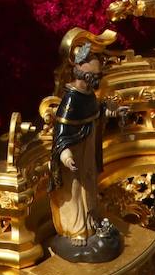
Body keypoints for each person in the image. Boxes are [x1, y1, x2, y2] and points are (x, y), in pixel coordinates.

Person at [48, 44, 119, 262]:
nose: (99, 80)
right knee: (74, 191)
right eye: (96, 76)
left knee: (89, 184)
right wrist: (66, 156)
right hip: (73, 157)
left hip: (87, 151)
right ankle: (76, 229)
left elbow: (95, 114)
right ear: (84, 76)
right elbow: (60, 135)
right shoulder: (71, 100)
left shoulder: (88, 94)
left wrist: (110, 112)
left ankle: (91, 222)